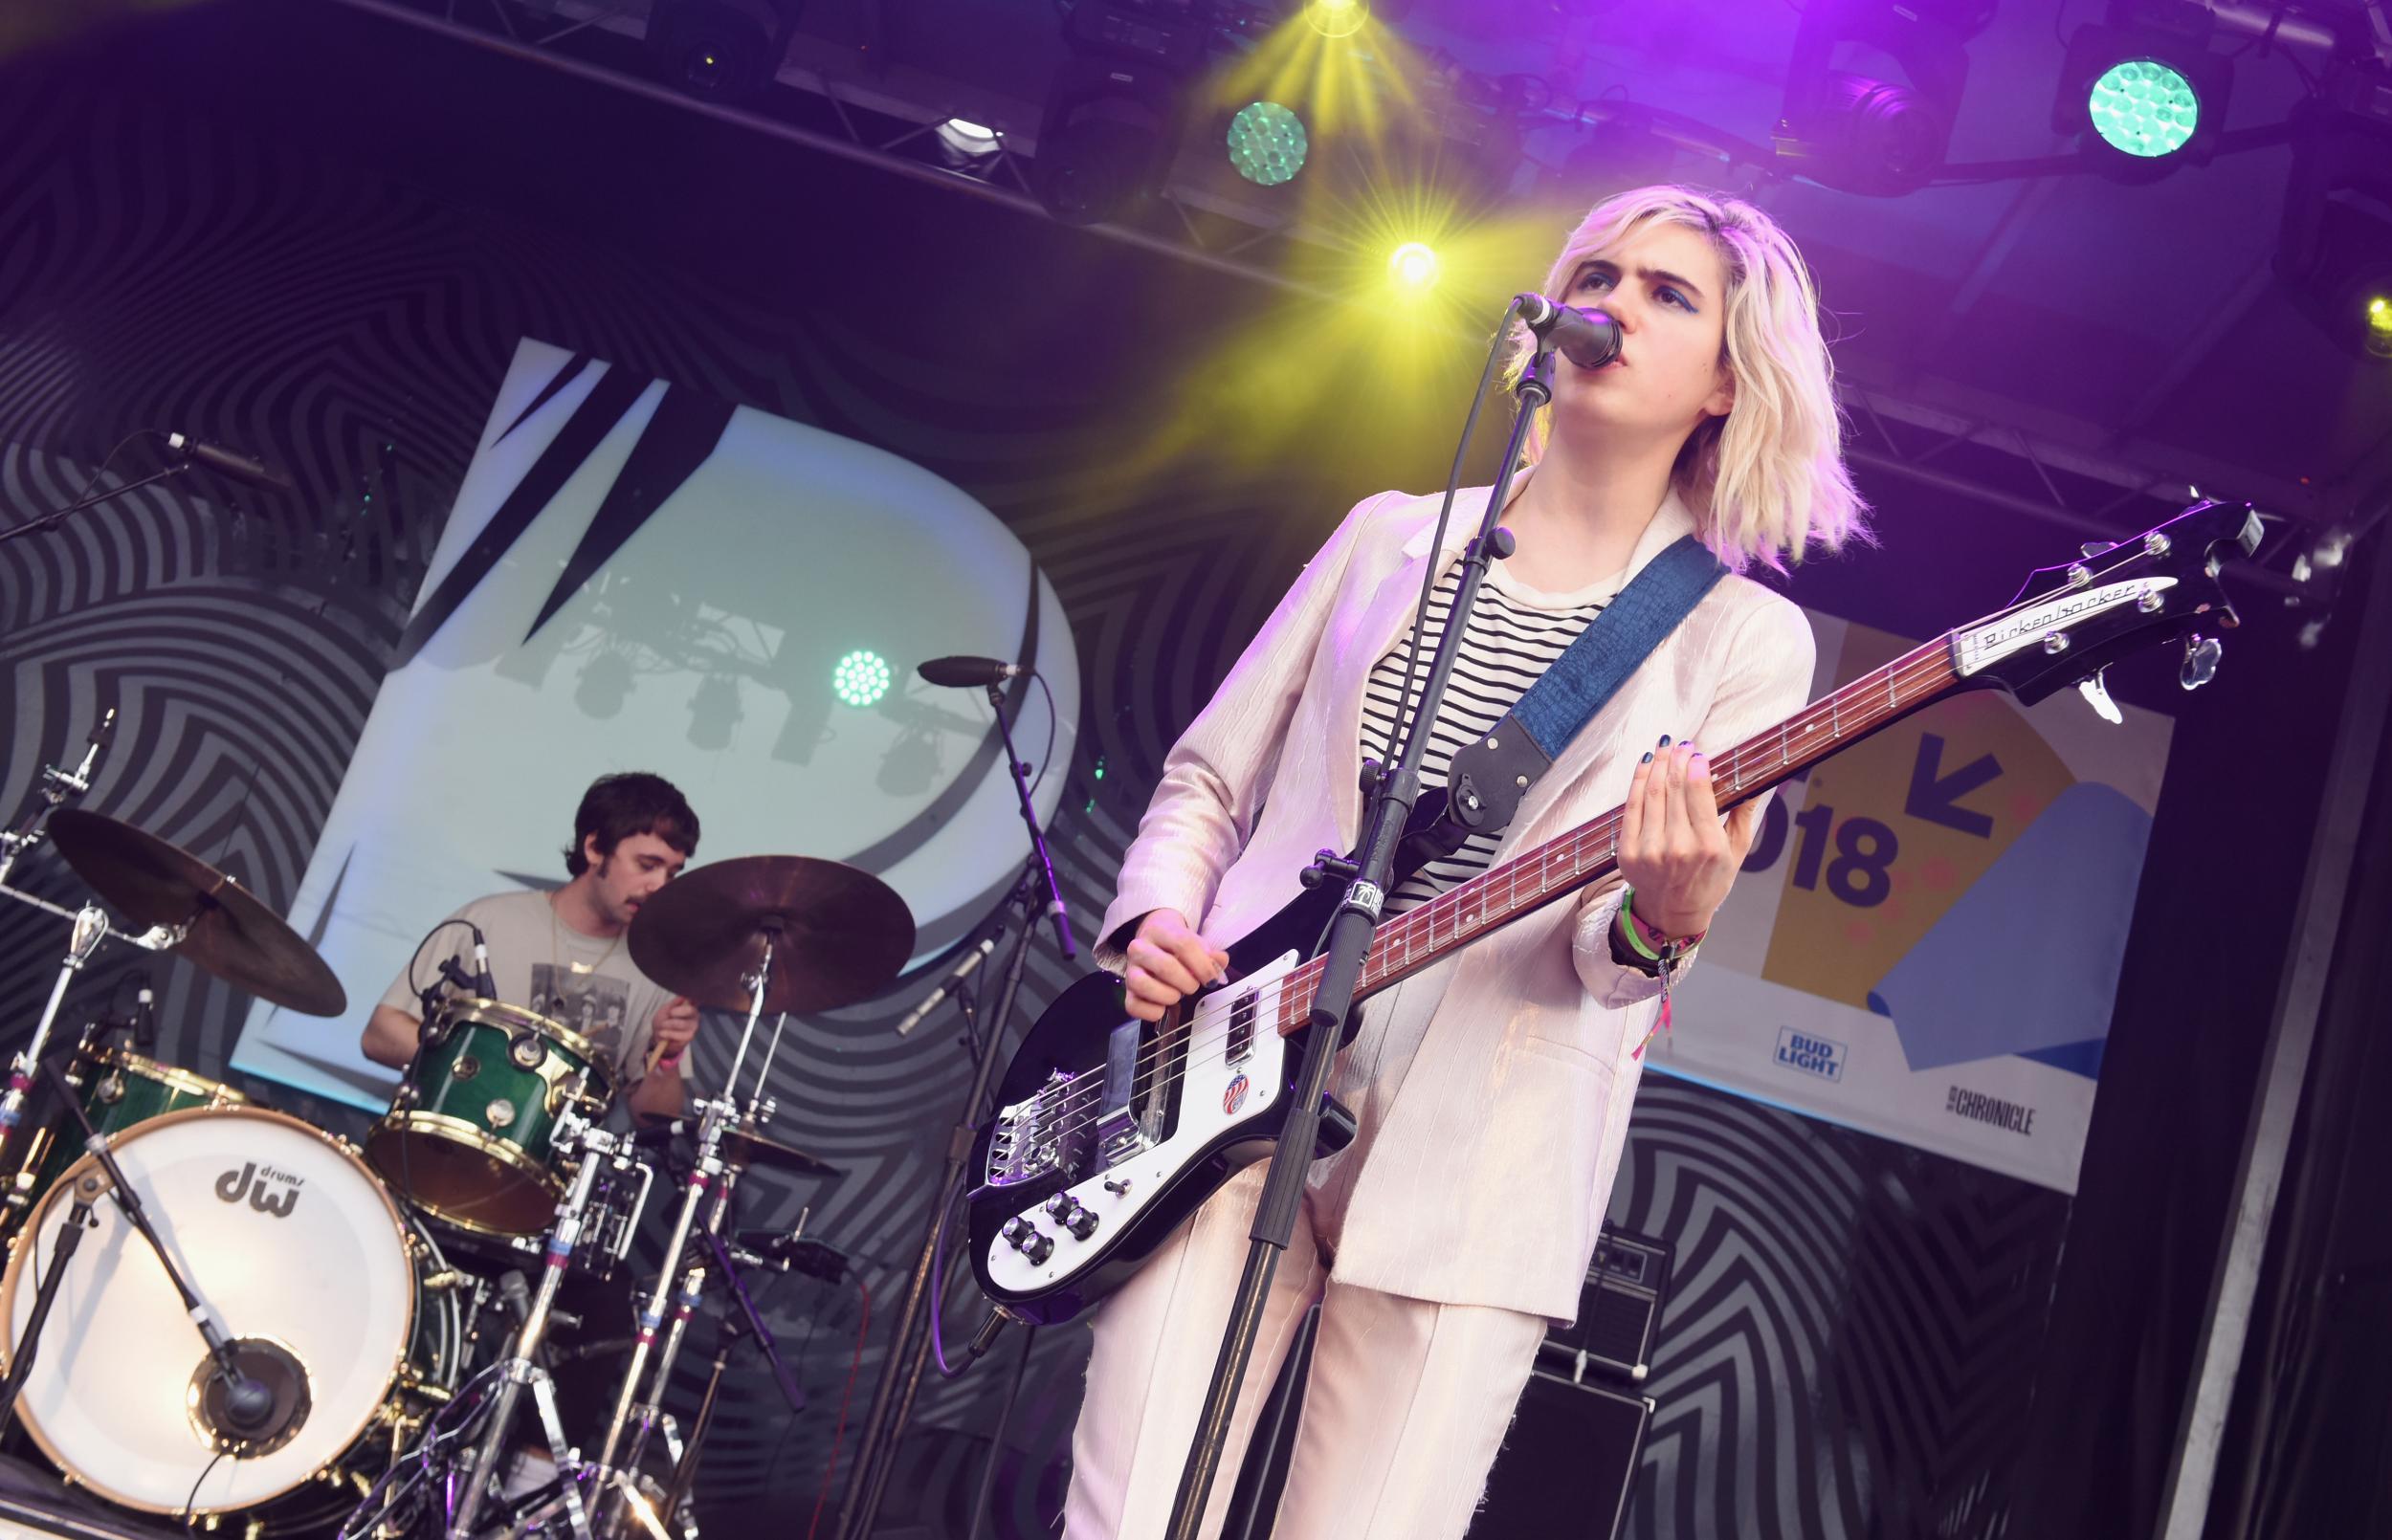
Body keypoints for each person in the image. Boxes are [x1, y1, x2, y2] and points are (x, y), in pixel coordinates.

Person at [1063, 186, 1870, 1539]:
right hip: (1230, 1076)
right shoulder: (1389, 535)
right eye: (1596, 271)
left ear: (1731, 381)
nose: (1611, 299)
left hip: (1480, 1150)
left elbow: (1614, 959)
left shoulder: (1745, 641)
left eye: (1668, 292)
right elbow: (1210, 777)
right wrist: (1156, 916)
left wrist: (1666, 920)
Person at [362, 771, 703, 1119]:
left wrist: (669, 1057)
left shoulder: (656, 968)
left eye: (672, 873)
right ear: (595, 848)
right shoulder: (487, 921)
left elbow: (652, 1119)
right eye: (647, 865)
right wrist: (484, 1071)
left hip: (553, 1169)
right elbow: (378, 1035)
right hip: (438, 1142)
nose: (660, 885)